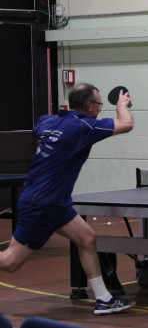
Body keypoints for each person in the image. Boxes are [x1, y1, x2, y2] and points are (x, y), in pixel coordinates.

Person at [0, 83, 135, 315]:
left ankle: (104, 299)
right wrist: (121, 105)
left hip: (55, 202)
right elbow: (126, 124)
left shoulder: (45, 122)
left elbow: (38, 131)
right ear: (89, 105)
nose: (100, 108)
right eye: (99, 104)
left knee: (86, 238)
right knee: (10, 262)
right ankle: (104, 298)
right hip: (43, 203)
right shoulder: (84, 126)